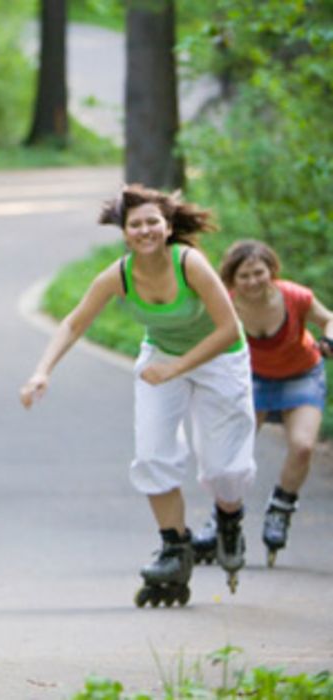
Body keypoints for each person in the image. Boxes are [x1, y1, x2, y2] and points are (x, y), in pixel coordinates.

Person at [19, 184, 255, 606]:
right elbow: (74, 323)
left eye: (152, 222)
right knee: (151, 454)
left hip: (220, 360)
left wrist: (177, 369)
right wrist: (42, 372)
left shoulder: (190, 264)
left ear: (166, 228)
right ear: (124, 232)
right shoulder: (119, 275)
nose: (144, 230)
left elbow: (228, 330)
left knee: (224, 468)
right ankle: (174, 547)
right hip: (161, 357)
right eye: (135, 225)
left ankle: (229, 518)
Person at [197, 240, 332, 567]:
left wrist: (329, 338)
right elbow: (202, 338)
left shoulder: (294, 296)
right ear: (231, 279)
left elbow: (328, 318)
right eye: (244, 276)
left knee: (302, 447)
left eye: (259, 272)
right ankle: (221, 518)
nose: (253, 281)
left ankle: (281, 508)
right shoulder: (224, 303)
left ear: (271, 270)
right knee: (235, 453)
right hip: (250, 380)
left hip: (301, 374)